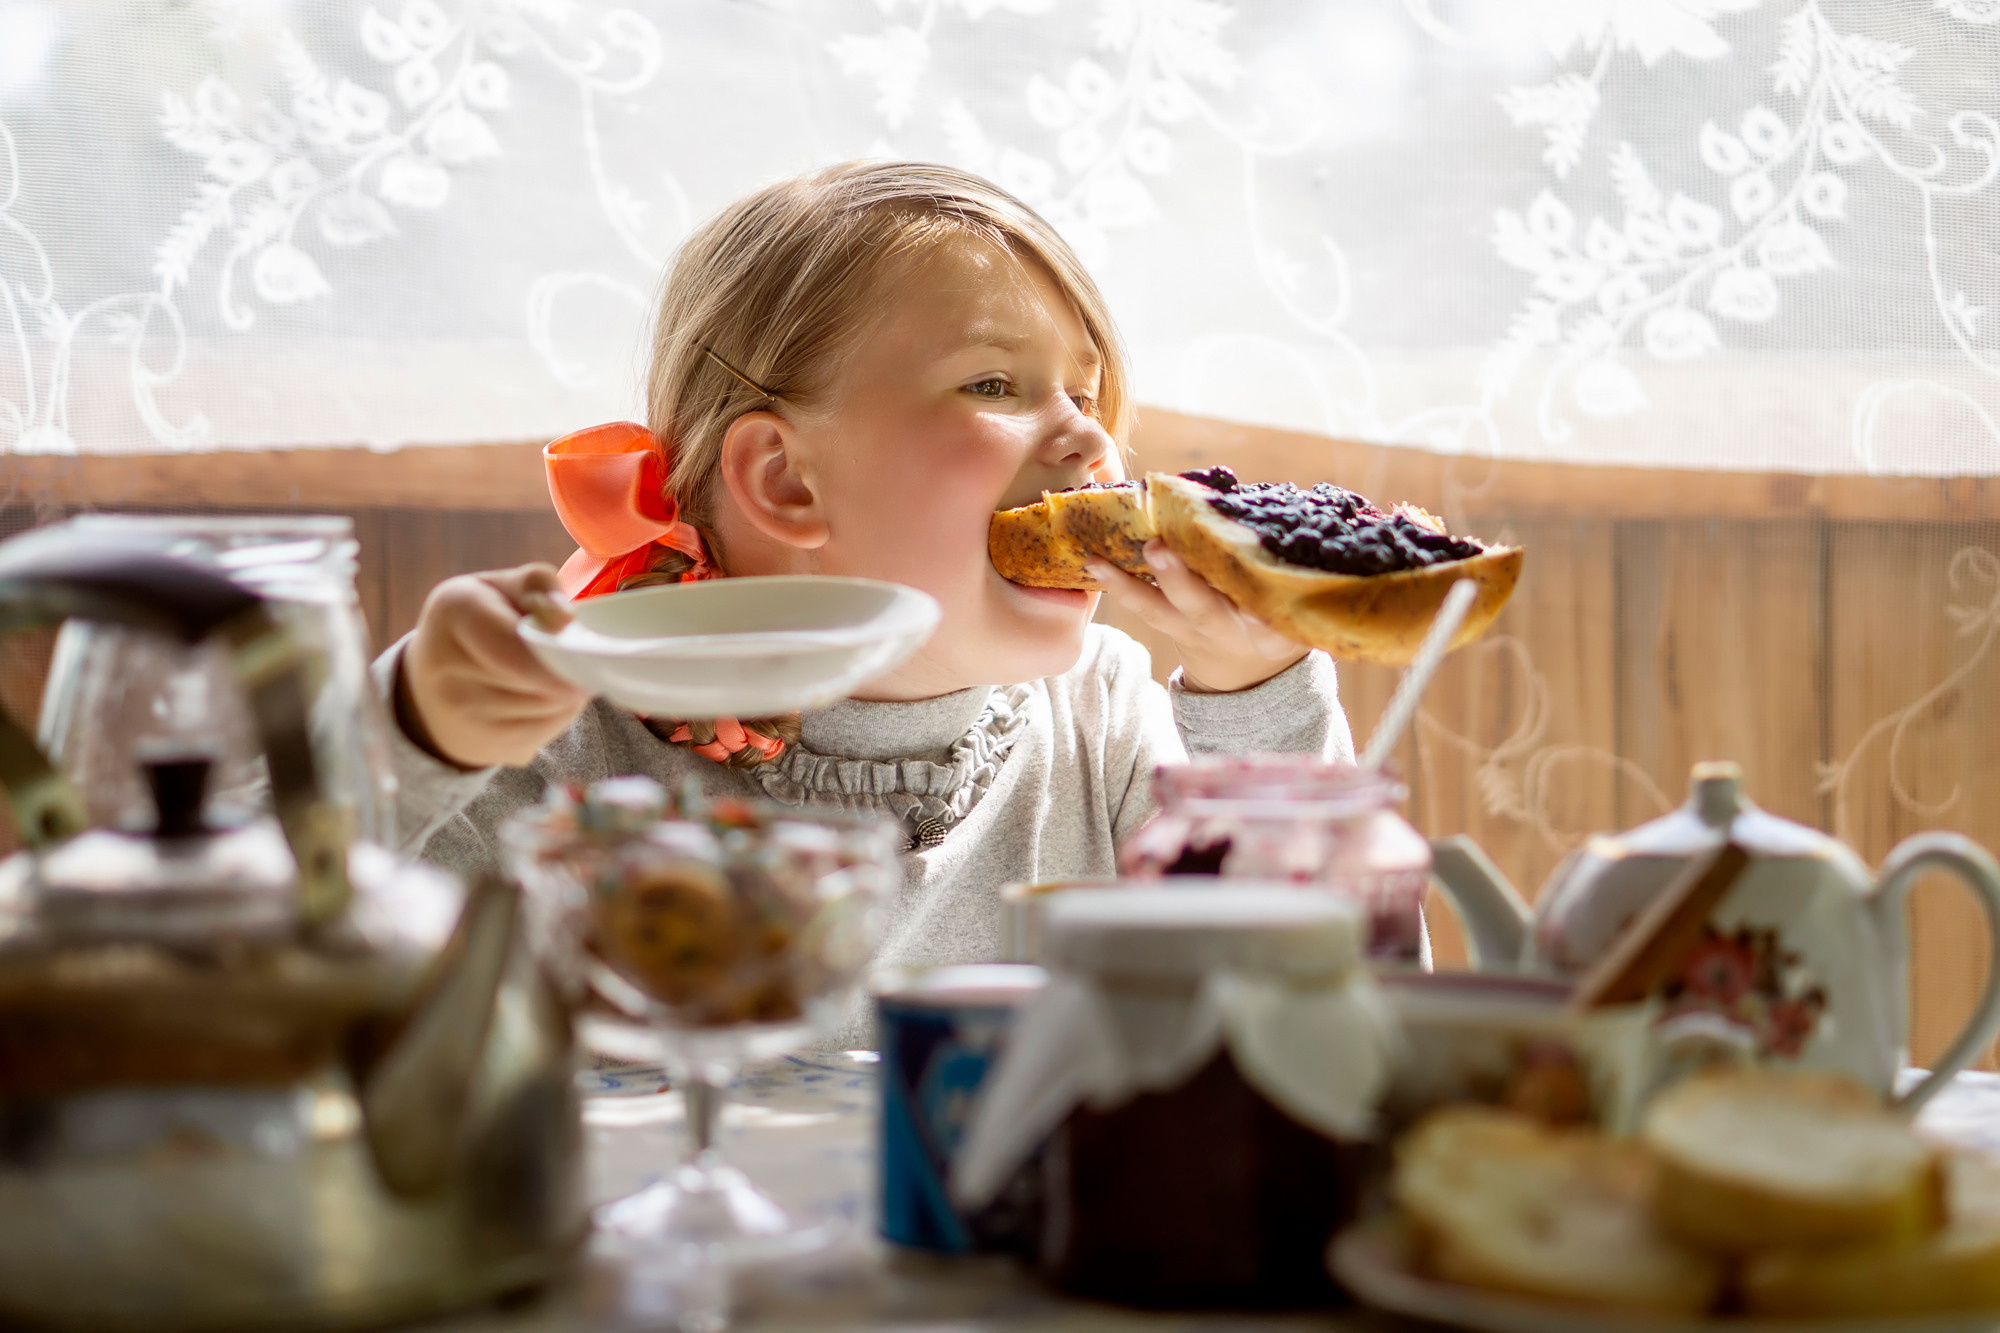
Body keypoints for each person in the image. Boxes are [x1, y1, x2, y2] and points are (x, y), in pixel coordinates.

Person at [378, 161, 1353, 1037]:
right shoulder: (557, 732)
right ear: (786, 480)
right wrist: (416, 736)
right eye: (993, 382)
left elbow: (1330, 1031)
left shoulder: (1108, 725)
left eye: (1087, 398)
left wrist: (1255, 702)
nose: (1091, 445)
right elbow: (262, 974)